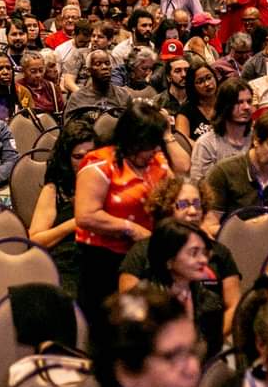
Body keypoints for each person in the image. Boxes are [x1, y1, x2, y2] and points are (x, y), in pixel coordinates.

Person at [74, 101, 190, 320]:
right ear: (132, 139)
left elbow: (183, 170)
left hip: (145, 255)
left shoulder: (156, 160)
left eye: (156, 143)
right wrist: (132, 229)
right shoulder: (100, 164)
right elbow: (85, 216)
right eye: (150, 144)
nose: (155, 150)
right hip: (104, 260)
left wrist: (167, 135)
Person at [119, 175, 239, 332]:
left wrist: (213, 340)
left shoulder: (220, 252)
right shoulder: (141, 252)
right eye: (183, 205)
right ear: (166, 209)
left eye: (197, 204)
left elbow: (233, 305)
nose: (193, 211)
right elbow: (129, 308)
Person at [205, 108, 268, 233]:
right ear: (256, 140)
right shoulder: (223, 173)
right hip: (238, 243)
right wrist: (249, 227)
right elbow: (208, 228)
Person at [29, 119, 97, 299]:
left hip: (102, 257)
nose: (86, 161)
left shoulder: (109, 182)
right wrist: (75, 223)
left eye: (91, 154)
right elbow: (35, 239)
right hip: (68, 261)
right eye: (78, 157)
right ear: (67, 159)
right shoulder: (55, 190)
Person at [141, 219, 224, 359]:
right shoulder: (145, 304)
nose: (203, 260)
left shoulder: (210, 299)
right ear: (169, 260)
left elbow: (214, 353)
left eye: (204, 253)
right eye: (194, 253)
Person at [189, 77, 254, 182]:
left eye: (249, 101)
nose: (246, 107)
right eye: (239, 102)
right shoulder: (206, 144)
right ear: (225, 106)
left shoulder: (258, 138)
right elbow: (200, 185)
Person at [174, 62, 219, 142]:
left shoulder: (227, 102)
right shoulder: (186, 111)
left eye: (209, 78)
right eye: (200, 81)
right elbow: (182, 141)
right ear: (192, 86)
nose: (207, 84)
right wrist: (203, 148)